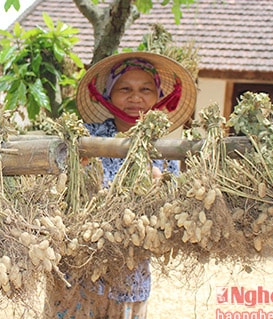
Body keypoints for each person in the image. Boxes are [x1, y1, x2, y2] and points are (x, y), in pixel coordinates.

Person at [44, 51, 197, 318]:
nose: (135, 97)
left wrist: (160, 187)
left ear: (158, 96)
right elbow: (57, 187)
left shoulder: (166, 147)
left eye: (145, 89)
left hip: (130, 272)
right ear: (109, 94)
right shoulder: (84, 137)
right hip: (77, 267)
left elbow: (172, 212)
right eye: (124, 88)